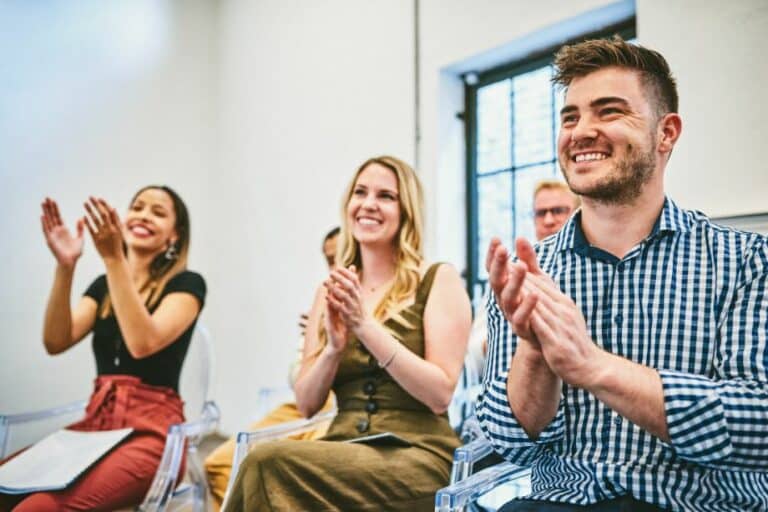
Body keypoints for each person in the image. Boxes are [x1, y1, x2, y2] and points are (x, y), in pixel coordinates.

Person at [478, 36, 768, 511]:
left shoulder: (747, 262)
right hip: (558, 503)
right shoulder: (529, 277)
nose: (581, 131)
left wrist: (594, 367)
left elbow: (758, 427)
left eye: (608, 111)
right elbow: (510, 444)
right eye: (569, 116)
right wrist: (534, 352)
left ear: (666, 132)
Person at [224, 155, 472, 511]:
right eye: (360, 192)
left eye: (386, 196)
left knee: (266, 462)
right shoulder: (329, 290)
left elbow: (440, 394)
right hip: (342, 448)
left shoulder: (437, 279)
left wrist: (364, 326)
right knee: (268, 465)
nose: (369, 204)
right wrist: (333, 350)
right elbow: (308, 405)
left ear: (406, 210)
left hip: (418, 454)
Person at [2, 186, 206, 511]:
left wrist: (114, 258)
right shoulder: (102, 287)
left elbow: (142, 345)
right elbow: (56, 341)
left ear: (174, 236)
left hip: (152, 436)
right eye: (137, 207)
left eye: (158, 212)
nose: (143, 215)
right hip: (95, 426)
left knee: (36, 508)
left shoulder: (187, 285)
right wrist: (65, 267)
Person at [203, 226, 340, 511]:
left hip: (344, 408)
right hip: (308, 403)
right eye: (329, 259)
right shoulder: (323, 302)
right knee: (219, 463)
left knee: (292, 469)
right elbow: (295, 377)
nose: (335, 266)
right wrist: (316, 345)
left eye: (342, 255)